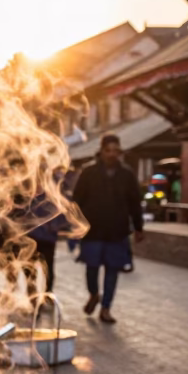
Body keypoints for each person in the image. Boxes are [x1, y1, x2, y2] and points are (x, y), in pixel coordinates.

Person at [72, 134, 144, 324]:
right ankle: (94, 294)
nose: (112, 155)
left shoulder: (127, 175)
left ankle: (106, 307)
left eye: (115, 151)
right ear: (101, 151)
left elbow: (135, 203)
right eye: (108, 150)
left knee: (113, 270)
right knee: (92, 268)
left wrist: (138, 227)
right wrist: (75, 223)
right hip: (93, 231)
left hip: (117, 231)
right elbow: (76, 201)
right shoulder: (88, 173)